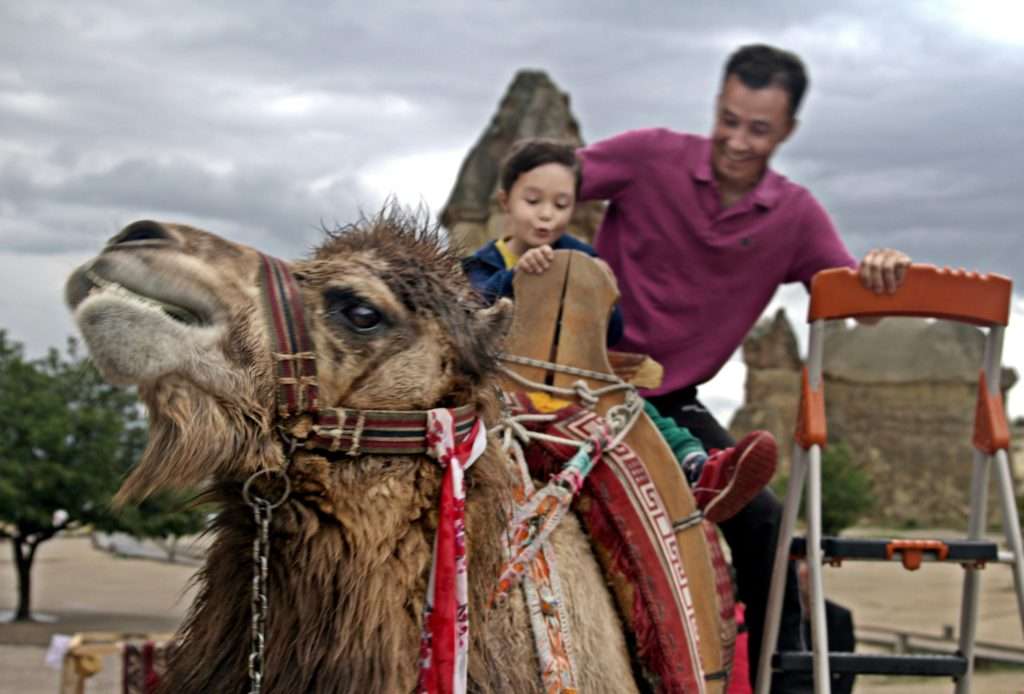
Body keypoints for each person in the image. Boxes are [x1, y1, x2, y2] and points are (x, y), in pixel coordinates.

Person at [575, 44, 910, 691]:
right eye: (727, 119)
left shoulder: (793, 215)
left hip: (669, 399)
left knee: (765, 528)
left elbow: (854, 306)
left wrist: (881, 277)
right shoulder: (649, 157)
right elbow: (551, 188)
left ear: (786, 131)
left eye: (757, 129)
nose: (735, 140)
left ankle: (771, 681)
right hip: (574, 379)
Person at [463, 138, 777, 524]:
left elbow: (609, 334)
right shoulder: (480, 266)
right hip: (506, 387)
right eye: (533, 202)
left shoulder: (583, 258)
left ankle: (698, 469)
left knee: (638, 409)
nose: (547, 215)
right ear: (505, 201)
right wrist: (517, 278)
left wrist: (603, 292)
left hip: (573, 386)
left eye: (561, 205)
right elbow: (472, 316)